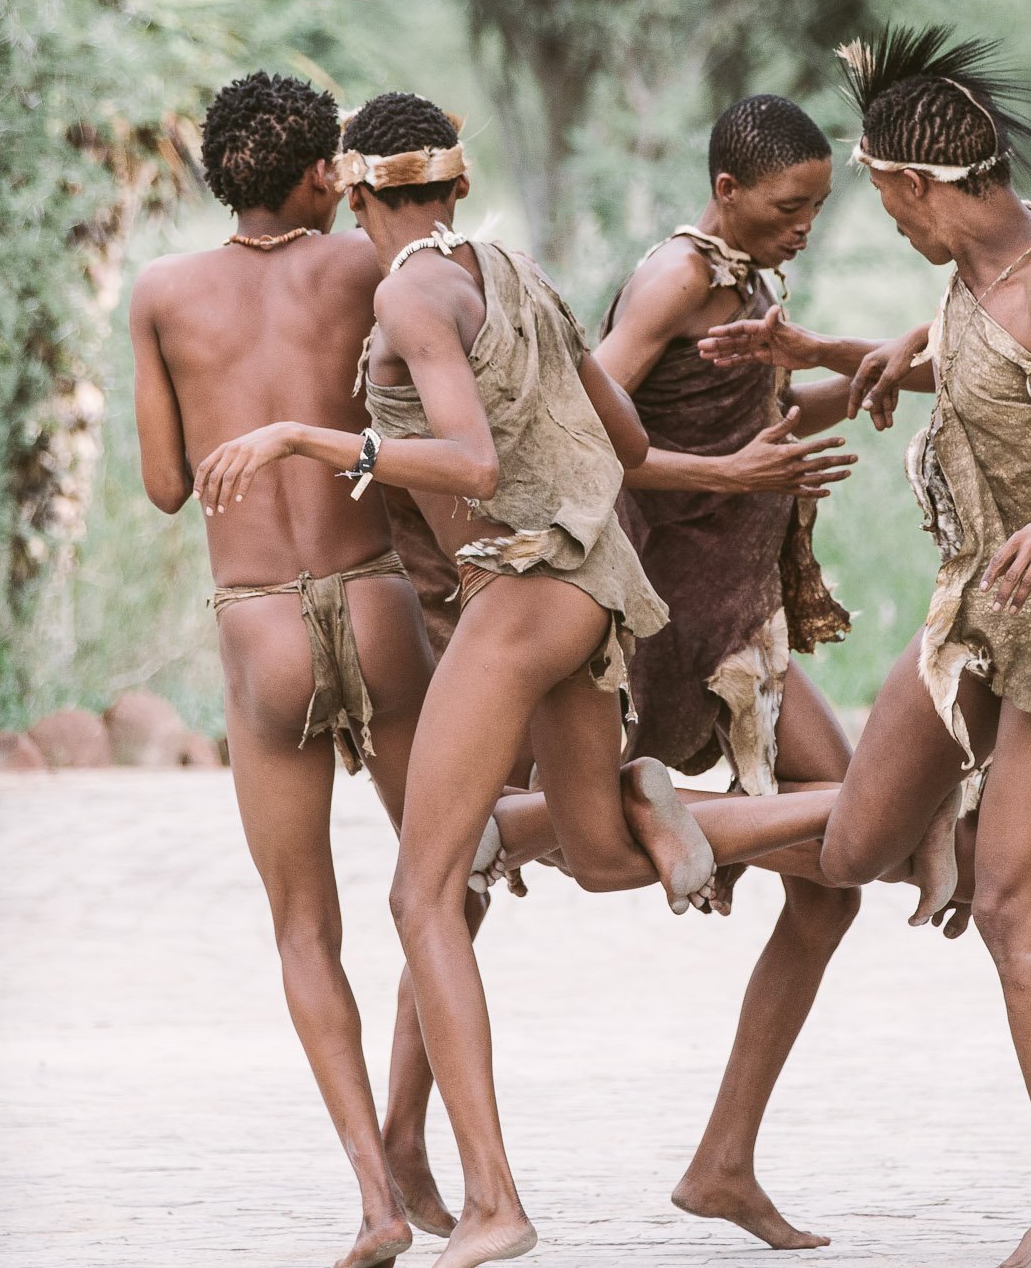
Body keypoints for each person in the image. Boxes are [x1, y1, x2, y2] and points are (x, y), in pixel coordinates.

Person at [192, 91, 849, 1267]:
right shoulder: (512, 267)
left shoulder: (403, 291)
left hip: (524, 595)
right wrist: (738, 477)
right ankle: (875, 813)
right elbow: (626, 444)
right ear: (449, 183)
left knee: (421, 890)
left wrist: (308, 439)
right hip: (596, 587)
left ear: (353, 189)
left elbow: (476, 458)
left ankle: (493, 1200)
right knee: (596, 852)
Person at [701, 26, 1031, 1268]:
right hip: (977, 609)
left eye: (883, 201)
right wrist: (823, 360)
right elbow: (991, 378)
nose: (889, 225)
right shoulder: (978, 277)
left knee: (1015, 907)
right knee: (857, 842)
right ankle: (631, 821)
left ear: (924, 185)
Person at [591, 92, 948, 1249]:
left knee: (844, 866)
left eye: (816, 207)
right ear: (729, 191)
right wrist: (732, 479)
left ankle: (722, 1162)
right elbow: (588, 418)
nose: (803, 225)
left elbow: (751, 408)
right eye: (788, 207)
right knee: (858, 829)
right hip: (673, 613)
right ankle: (653, 816)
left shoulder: (751, 280)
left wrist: (855, 386)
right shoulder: (677, 278)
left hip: (746, 616)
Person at [129, 71, 445, 1268]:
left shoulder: (162, 293)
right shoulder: (368, 271)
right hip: (375, 603)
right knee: (446, 882)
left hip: (260, 627)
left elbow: (168, 486)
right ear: (328, 174)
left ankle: (376, 1193)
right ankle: (419, 1134)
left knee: (304, 930)